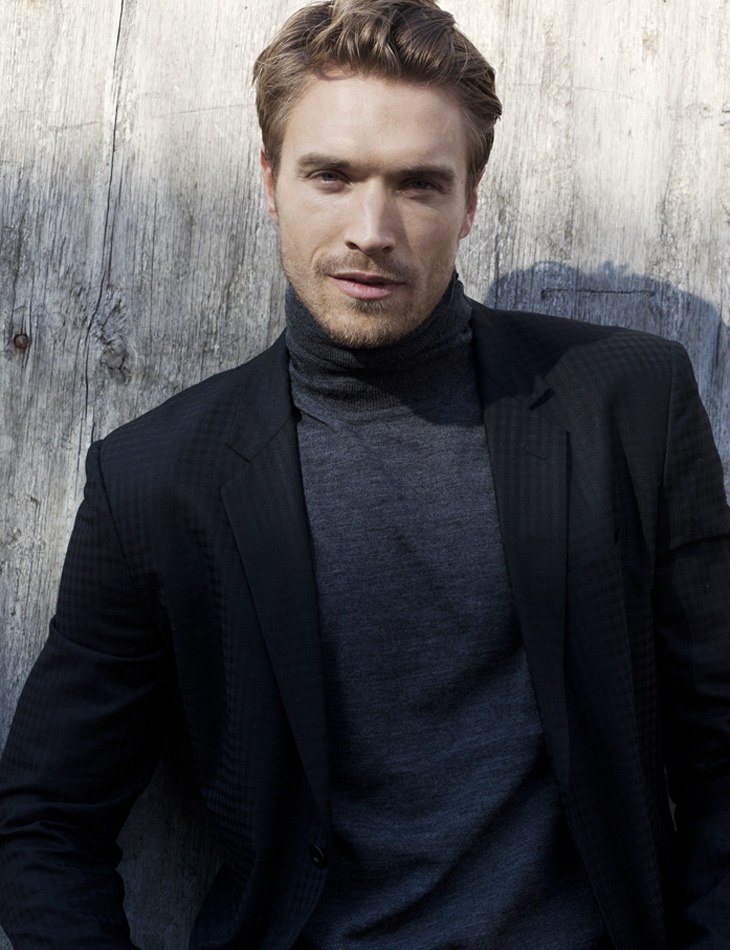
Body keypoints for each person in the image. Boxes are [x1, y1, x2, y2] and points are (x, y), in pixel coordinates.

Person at [0, 0, 729, 947]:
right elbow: (44, 819)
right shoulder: (156, 478)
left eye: (419, 184)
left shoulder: (626, 404)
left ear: (472, 201)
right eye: (332, 176)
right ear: (270, 181)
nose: (372, 229)